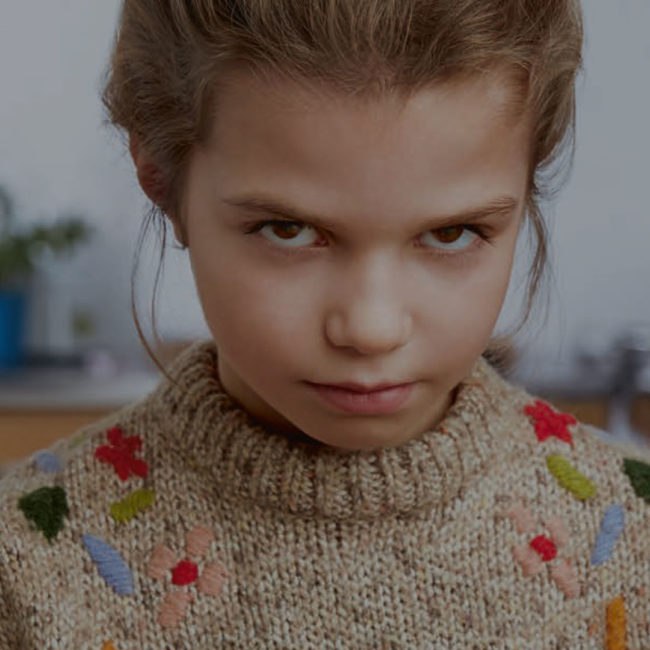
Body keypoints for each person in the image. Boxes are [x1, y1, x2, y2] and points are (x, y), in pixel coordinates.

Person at [1, 0, 649, 647]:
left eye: (451, 233)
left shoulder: (633, 536)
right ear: (160, 178)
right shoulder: (23, 561)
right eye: (289, 230)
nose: (370, 328)